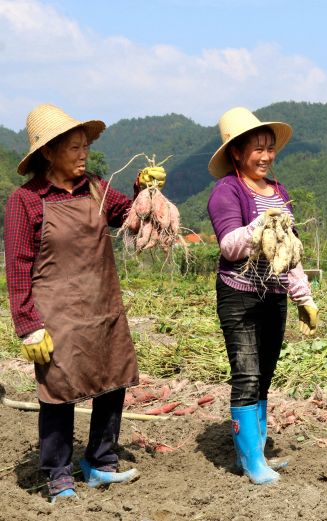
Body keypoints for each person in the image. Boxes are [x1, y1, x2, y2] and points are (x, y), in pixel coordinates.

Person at [4, 104, 165, 502]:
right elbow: (18, 266)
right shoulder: (26, 200)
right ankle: (57, 473)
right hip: (56, 314)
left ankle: (100, 461)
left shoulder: (94, 187)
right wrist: (27, 323)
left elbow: (128, 216)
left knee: (113, 381)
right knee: (58, 391)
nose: (82, 154)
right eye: (73, 148)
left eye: (84, 147)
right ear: (48, 152)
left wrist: (144, 191)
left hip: (102, 304)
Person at [207, 107, 319, 485]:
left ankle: (257, 452)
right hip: (238, 297)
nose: (266, 155)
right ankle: (252, 461)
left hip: (274, 297)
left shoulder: (279, 192)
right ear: (237, 152)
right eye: (257, 148)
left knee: (264, 376)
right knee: (247, 374)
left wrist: (304, 298)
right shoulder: (228, 190)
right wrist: (260, 225)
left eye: (270, 148)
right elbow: (229, 246)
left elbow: (290, 254)